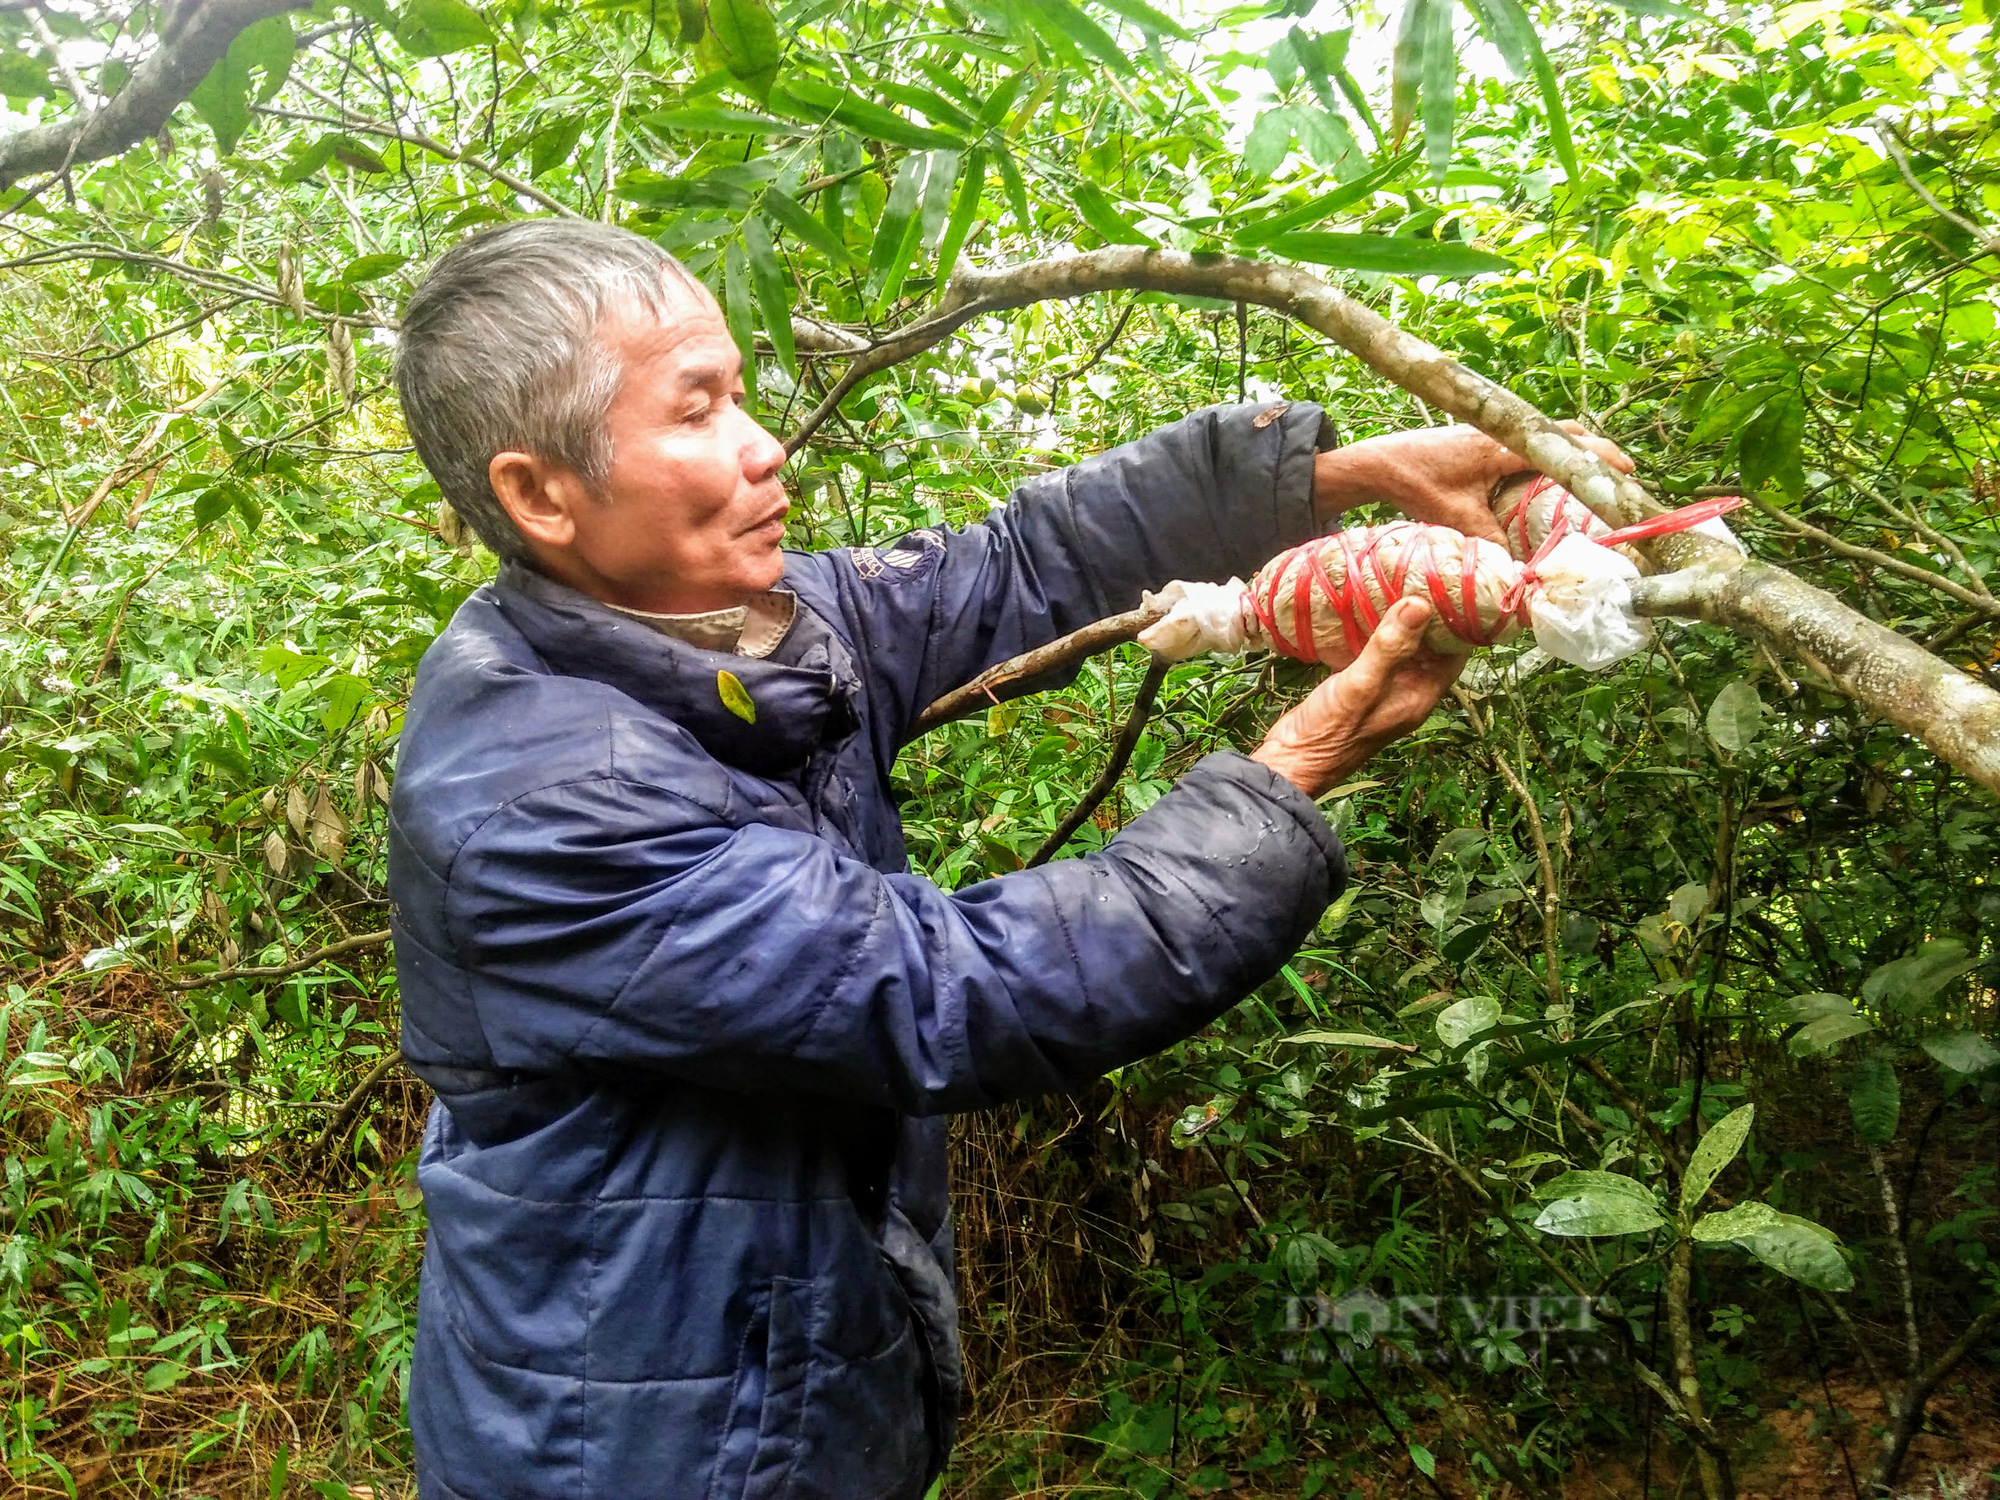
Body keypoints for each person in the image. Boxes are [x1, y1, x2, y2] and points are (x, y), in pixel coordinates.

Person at [386, 219, 1632, 1500]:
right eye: (694, 412)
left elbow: (1017, 563)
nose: (763, 449)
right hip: (629, 1446)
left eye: (742, 394)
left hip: (789, 1389)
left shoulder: (747, 624)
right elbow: (941, 991)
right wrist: (1288, 775)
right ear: (541, 494)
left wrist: (1337, 478)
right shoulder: (538, 797)